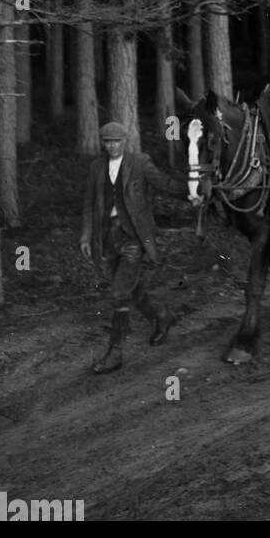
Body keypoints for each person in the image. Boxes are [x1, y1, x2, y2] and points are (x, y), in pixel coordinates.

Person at [80, 121, 191, 374]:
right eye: (108, 141)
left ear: (125, 141)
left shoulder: (139, 162)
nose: (112, 146)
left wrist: (194, 190)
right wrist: (85, 237)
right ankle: (162, 315)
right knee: (133, 291)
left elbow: (165, 184)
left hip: (133, 239)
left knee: (119, 293)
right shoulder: (97, 167)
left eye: (117, 141)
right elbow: (88, 204)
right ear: (103, 143)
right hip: (107, 238)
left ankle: (115, 354)